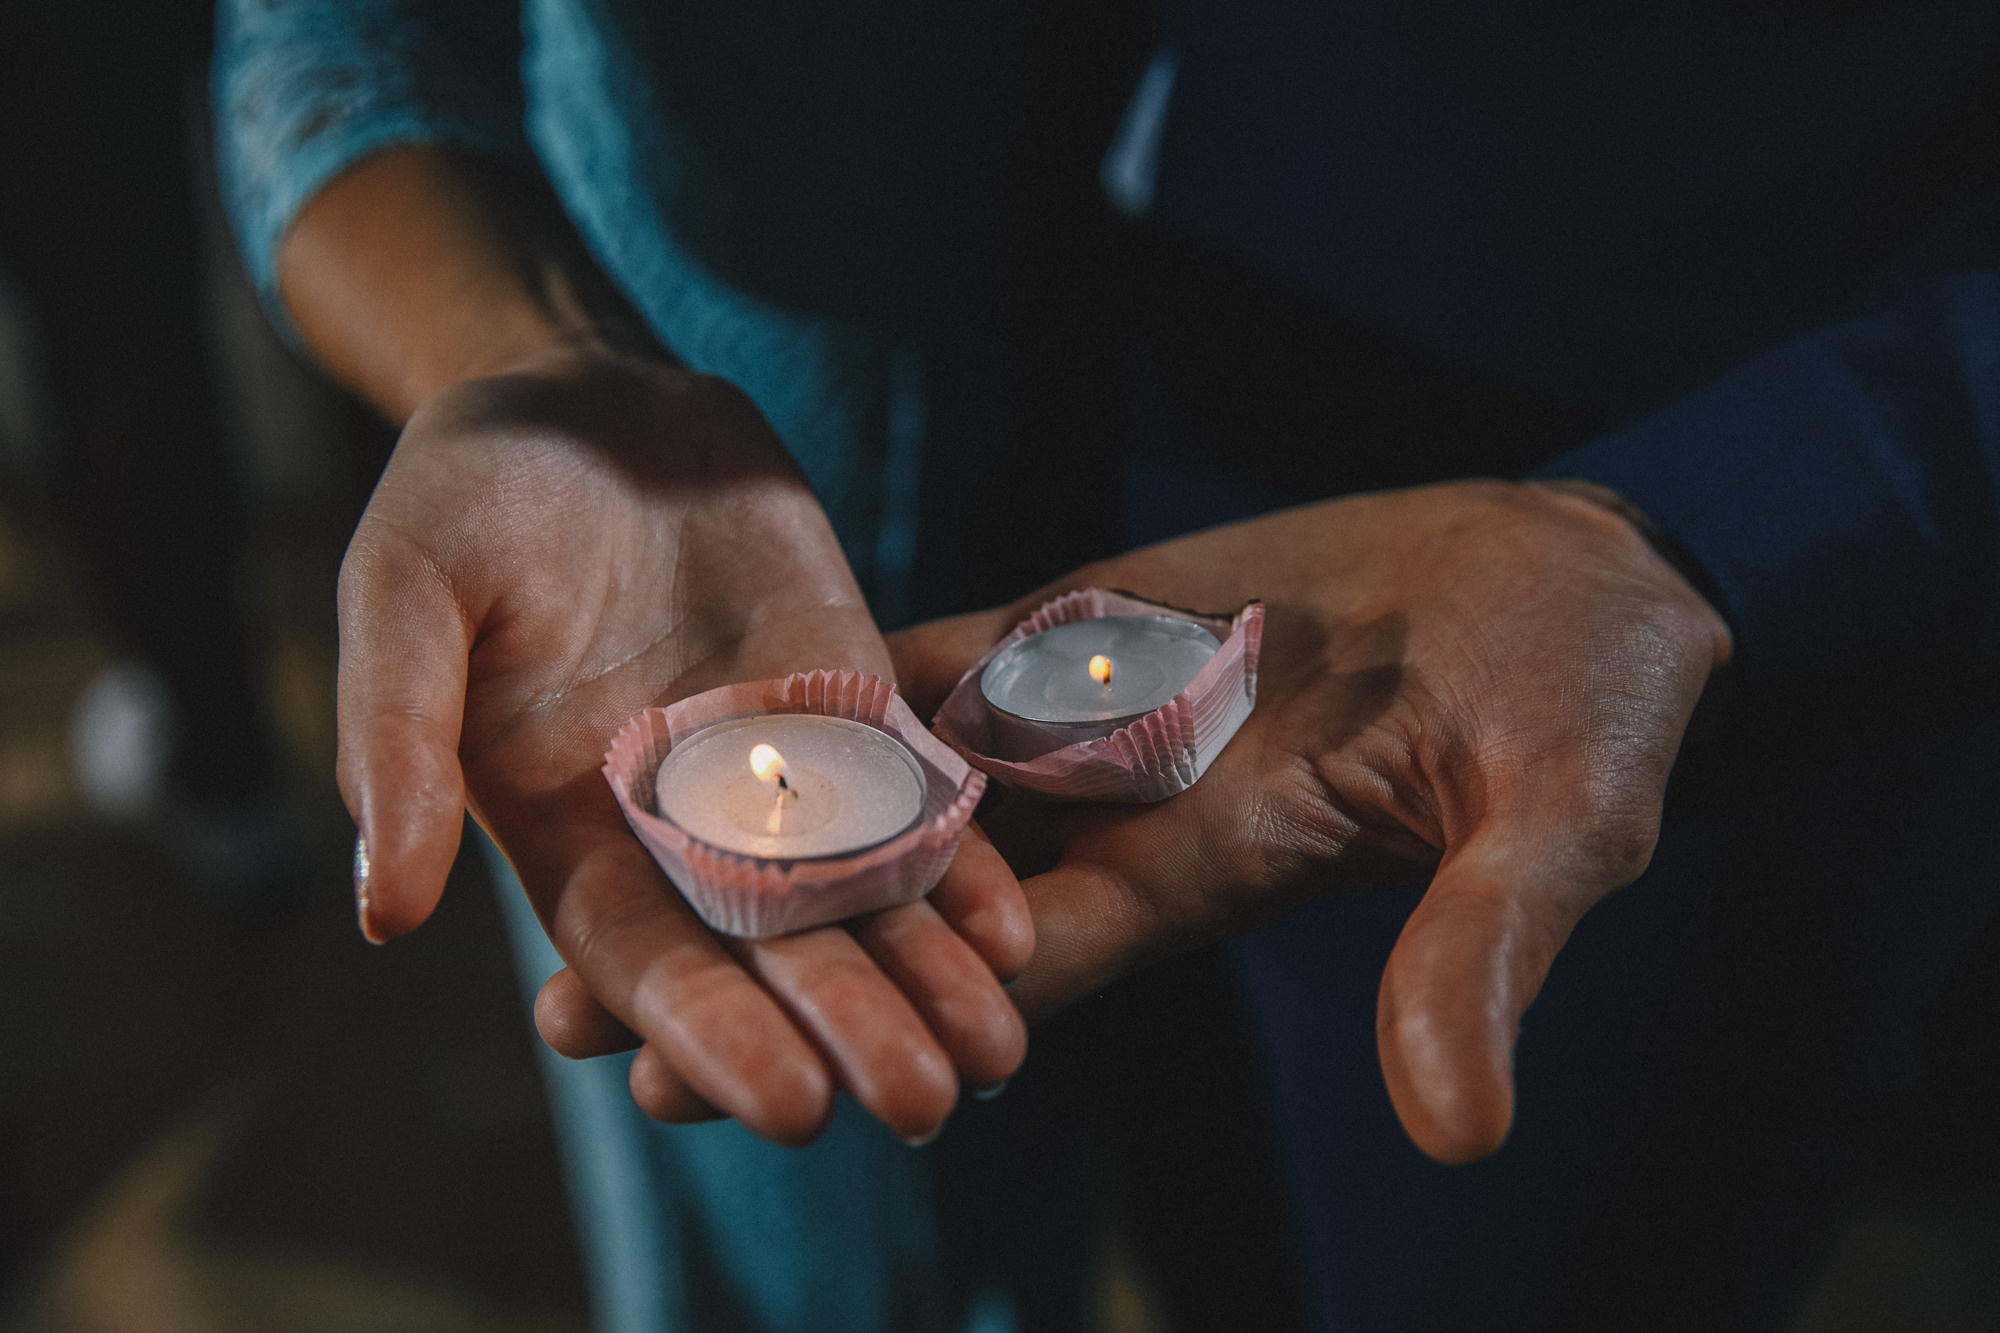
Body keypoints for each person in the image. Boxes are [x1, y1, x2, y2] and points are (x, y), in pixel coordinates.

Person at [216, 1, 2000, 1328]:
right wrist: (518, 354)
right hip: (714, 581)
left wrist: (1707, 520)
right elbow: (336, 35)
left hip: (1504, 563)